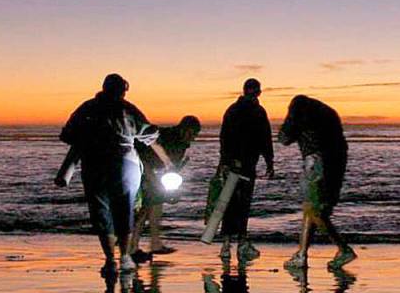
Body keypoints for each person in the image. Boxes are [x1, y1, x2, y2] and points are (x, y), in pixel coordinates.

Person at [58, 74, 172, 275]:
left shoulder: (87, 108)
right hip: (124, 164)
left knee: (101, 213)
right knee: (125, 209)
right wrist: (167, 162)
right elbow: (151, 137)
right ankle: (125, 257)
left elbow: (67, 135)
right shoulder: (127, 109)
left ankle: (110, 260)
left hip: (94, 164)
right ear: (122, 91)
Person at [278, 94, 356, 271]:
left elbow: (284, 138)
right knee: (314, 208)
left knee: (313, 210)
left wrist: (286, 126)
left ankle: (343, 249)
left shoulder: (298, 108)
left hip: (315, 161)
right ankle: (301, 255)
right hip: (337, 162)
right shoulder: (328, 112)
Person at [215, 78, 275, 262]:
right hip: (247, 165)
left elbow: (224, 138)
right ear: (258, 92)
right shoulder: (258, 111)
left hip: (233, 164)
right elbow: (265, 139)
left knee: (229, 203)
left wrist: (224, 162)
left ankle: (226, 245)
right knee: (243, 205)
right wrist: (269, 162)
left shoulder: (232, 110)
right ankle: (241, 242)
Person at [129, 115, 201, 263]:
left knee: (156, 206)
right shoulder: (166, 137)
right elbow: (143, 158)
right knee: (143, 210)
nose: (193, 138)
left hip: (154, 173)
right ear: (184, 129)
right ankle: (132, 249)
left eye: (195, 134)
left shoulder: (182, 144)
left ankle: (155, 243)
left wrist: (172, 188)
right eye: (192, 133)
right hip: (138, 168)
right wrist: (152, 180)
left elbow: (172, 168)